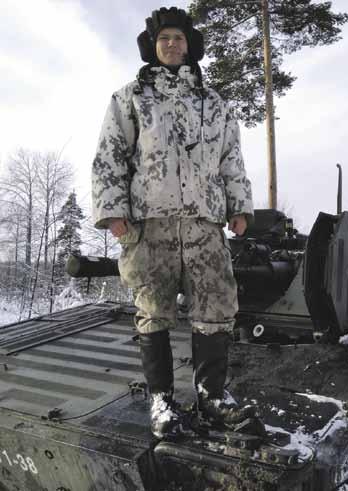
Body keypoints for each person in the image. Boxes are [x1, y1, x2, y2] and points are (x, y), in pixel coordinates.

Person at [92, 6, 254, 438]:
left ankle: (212, 396)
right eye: (164, 39)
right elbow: (111, 155)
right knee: (153, 311)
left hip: (203, 225)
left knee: (216, 307)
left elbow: (231, 160)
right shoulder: (130, 98)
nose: (171, 45)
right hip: (150, 225)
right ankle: (163, 401)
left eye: (178, 39)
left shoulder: (214, 103)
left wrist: (239, 206)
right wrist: (114, 213)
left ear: (189, 45)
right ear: (152, 46)